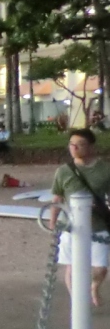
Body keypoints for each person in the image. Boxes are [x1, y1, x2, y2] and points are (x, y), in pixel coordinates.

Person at [49, 128, 110, 306]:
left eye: (80, 145)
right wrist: (52, 222)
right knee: (72, 266)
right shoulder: (63, 171)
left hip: (98, 224)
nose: (74, 148)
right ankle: (77, 301)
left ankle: (94, 286)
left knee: (101, 267)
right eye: (71, 144)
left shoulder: (105, 170)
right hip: (71, 226)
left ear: (91, 147)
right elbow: (57, 198)